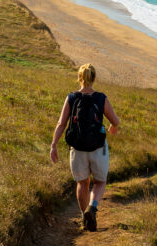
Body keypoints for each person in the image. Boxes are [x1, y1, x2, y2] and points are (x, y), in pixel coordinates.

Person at [50, 63, 120, 232]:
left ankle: (85, 217)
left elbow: (61, 124)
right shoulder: (101, 98)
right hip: (98, 147)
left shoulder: (72, 98)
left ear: (79, 78)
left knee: (82, 183)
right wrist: (112, 128)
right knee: (100, 181)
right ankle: (93, 207)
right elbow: (115, 121)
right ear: (94, 78)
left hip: (77, 148)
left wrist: (54, 146)